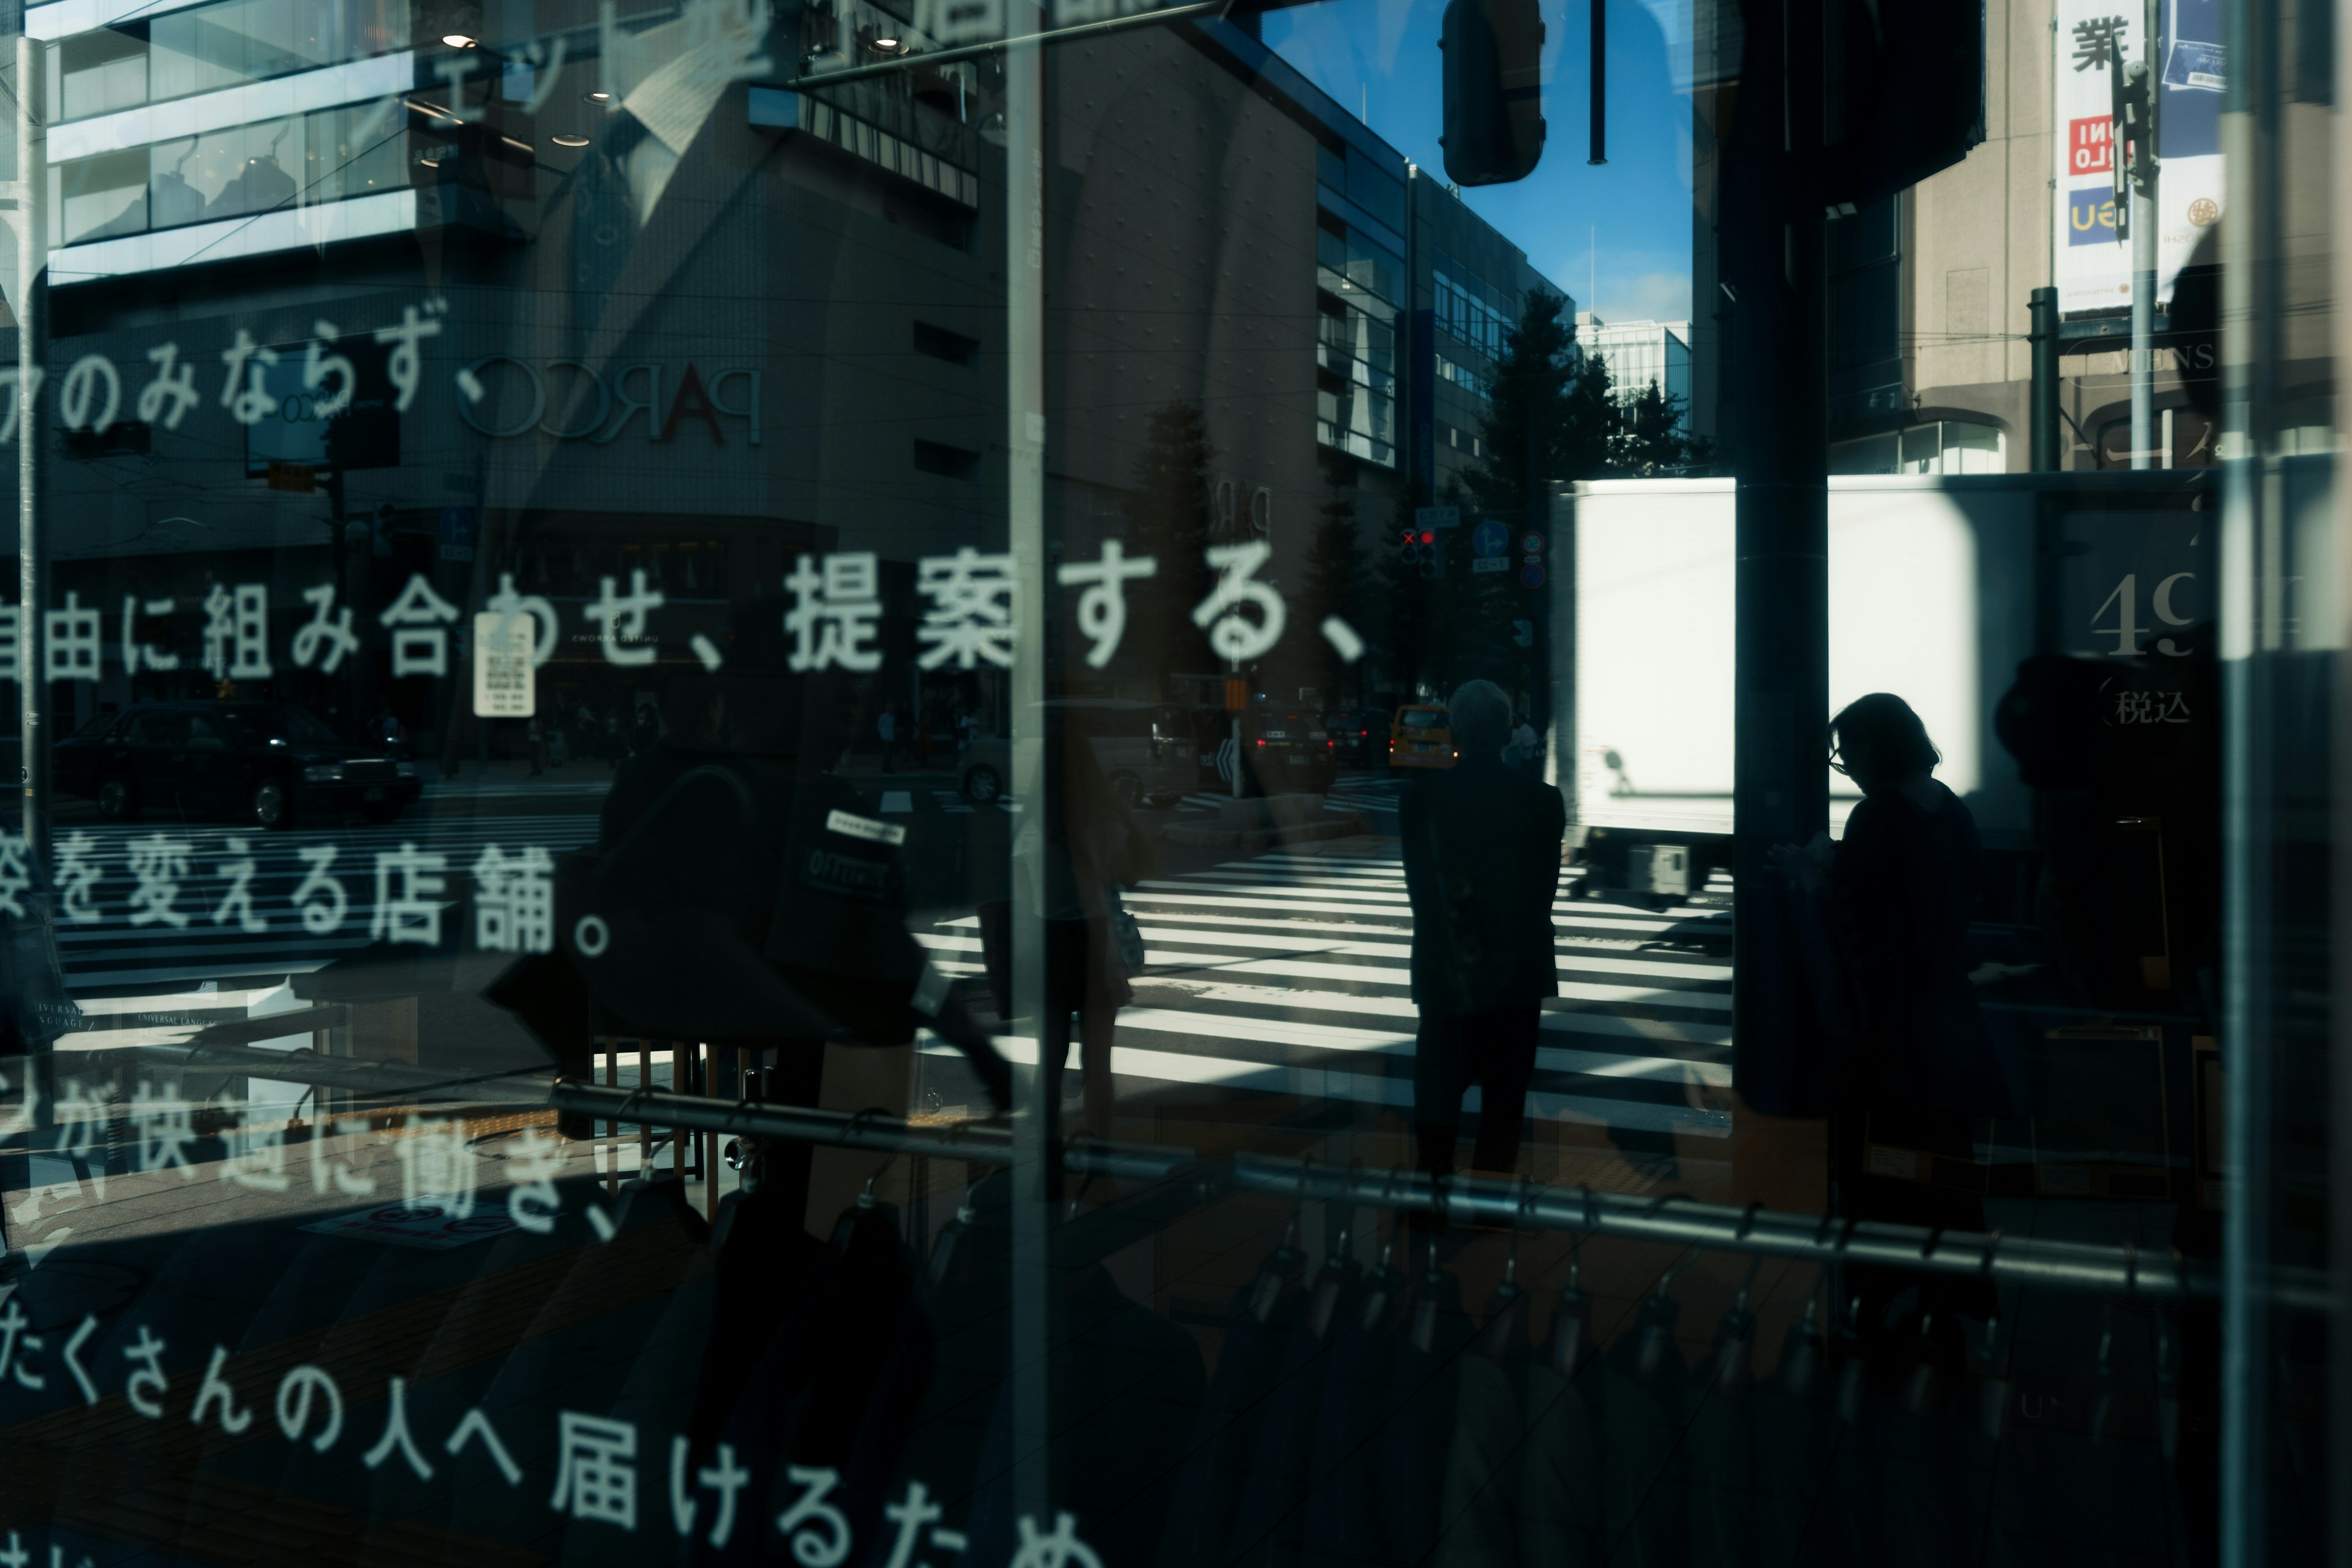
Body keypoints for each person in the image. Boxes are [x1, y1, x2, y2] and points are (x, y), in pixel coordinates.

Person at [1796, 692, 2011, 1343]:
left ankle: (1869, 1305)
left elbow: (1855, 916)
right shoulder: (1951, 808)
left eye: (1849, 750)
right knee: (1944, 1170)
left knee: (1875, 1168)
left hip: (1889, 1031)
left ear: (1872, 746)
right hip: (1948, 1018)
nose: (1848, 766)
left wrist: (1813, 875)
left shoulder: (1877, 816)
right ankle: (1946, 1303)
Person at [1399, 678, 1567, 1180]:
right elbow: (1543, 892)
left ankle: (1431, 1196)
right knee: (1505, 1098)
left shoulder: (1420, 799)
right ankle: (1491, 1201)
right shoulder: (1543, 801)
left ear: (1455, 730)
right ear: (1507, 732)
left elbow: (1421, 894)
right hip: (1517, 970)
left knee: (1438, 1092)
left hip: (1447, 965)